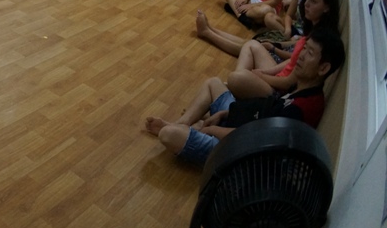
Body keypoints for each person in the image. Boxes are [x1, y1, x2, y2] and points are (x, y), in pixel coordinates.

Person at [144, 27, 345, 164]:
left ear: (323, 68)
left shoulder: (302, 109)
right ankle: (183, 124)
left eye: (310, 53)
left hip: (238, 149)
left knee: (168, 135)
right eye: (304, 49)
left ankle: (186, 129)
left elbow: (253, 139)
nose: (300, 56)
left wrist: (212, 129)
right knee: (213, 83)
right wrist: (225, 113)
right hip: (242, 125)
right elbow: (263, 111)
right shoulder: (302, 87)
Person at [224, 0, 340, 99]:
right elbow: (291, 61)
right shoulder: (313, 30)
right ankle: (236, 90)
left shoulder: (321, 40)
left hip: (280, 92)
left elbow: (288, 83)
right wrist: (267, 71)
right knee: (251, 45)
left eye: (313, 1)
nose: (306, 4)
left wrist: (261, 76)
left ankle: (235, 91)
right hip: (279, 76)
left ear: (327, 7)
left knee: (235, 78)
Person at [195, 0, 333, 59]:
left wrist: (277, 46)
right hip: (293, 32)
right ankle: (210, 29)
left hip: (294, 43)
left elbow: (300, 47)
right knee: (251, 40)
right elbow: (289, 15)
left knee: (249, 46)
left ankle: (207, 33)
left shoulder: (321, 31)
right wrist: (287, 30)